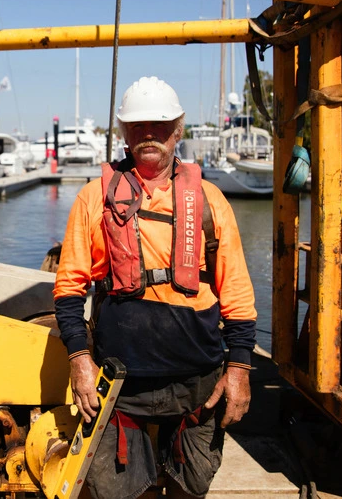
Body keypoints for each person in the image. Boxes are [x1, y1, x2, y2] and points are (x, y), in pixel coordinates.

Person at [53, 76, 257, 499]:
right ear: (124, 133)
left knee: (190, 487)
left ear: (178, 131)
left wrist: (238, 369)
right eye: (138, 125)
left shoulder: (210, 200)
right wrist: (79, 359)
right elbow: (69, 287)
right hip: (120, 387)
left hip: (197, 382)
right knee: (123, 491)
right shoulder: (94, 199)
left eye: (160, 126)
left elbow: (237, 294)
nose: (149, 134)